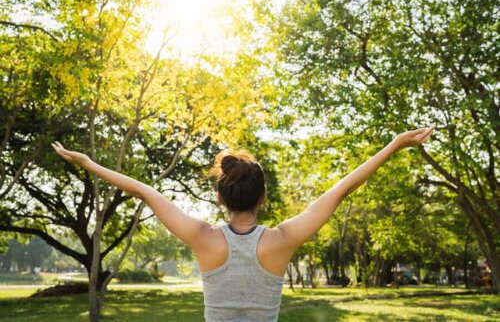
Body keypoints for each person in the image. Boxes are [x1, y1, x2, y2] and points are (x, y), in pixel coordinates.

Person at [51, 126, 434, 321]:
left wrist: (89, 164)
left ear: (220, 197)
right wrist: (394, 145)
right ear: (263, 198)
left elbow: (147, 192)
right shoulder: (281, 241)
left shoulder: (203, 239)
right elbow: (341, 189)